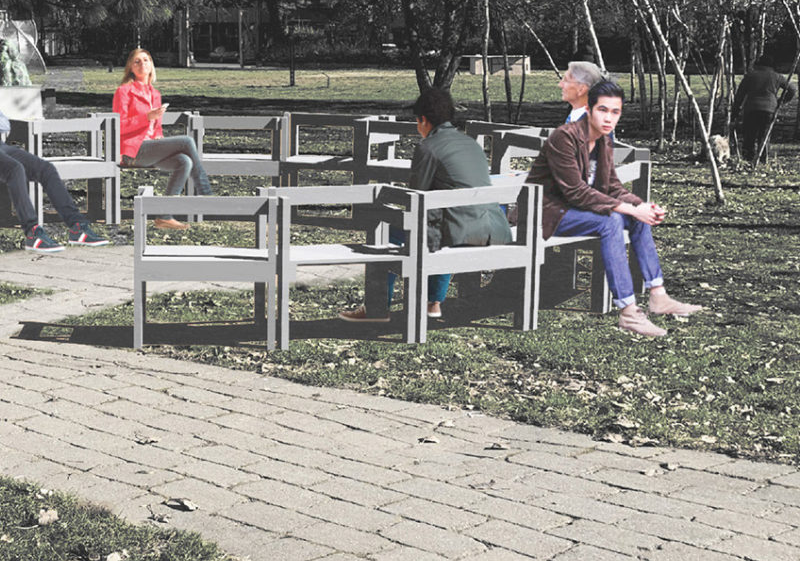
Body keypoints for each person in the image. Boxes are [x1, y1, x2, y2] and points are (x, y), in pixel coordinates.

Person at [525, 79, 702, 339]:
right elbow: (574, 191)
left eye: (615, 112)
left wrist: (641, 205)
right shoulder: (564, 137)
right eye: (603, 110)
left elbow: (612, 186)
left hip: (576, 211)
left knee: (636, 217)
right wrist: (629, 209)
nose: (609, 118)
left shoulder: (604, 140)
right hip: (547, 212)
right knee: (611, 221)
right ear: (589, 110)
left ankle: (658, 296)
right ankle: (629, 312)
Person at [340, 87, 511, 323]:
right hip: (492, 228)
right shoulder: (472, 144)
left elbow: (415, 196)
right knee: (442, 225)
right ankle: (433, 303)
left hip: (461, 230)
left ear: (422, 120)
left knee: (387, 233)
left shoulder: (428, 147)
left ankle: (377, 309)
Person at [0, 50, 107, 252]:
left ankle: (78, 227)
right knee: (15, 169)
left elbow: (4, 124)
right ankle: (33, 232)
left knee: (46, 168)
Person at [112, 47, 213, 231]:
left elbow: (156, 129)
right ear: (131, 68)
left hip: (150, 149)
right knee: (187, 142)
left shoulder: (155, 94)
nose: (142, 63)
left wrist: (158, 135)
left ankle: (164, 217)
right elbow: (119, 127)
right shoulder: (124, 92)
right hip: (132, 151)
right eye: (137, 61)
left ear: (151, 65)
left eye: (146, 60)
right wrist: (146, 117)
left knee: (184, 161)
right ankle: (206, 193)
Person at [732, 58, 795, 166]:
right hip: (769, 109)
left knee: (749, 136)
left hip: (751, 108)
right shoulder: (776, 76)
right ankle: (762, 160)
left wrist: (735, 112)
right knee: (764, 136)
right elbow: (792, 89)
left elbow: (740, 95)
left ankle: (747, 160)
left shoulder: (750, 76)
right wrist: (780, 101)